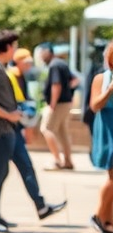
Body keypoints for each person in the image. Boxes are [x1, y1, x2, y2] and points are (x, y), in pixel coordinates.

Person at [0, 31, 66, 232]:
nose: (15, 50)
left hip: (6, 130)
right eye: (15, 46)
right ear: (8, 47)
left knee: (4, 171)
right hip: (0, 130)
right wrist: (8, 115)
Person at [39, 42, 77, 170]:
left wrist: (52, 104)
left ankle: (57, 161)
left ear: (48, 52)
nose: (40, 56)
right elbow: (75, 80)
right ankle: (67, 161)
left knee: (46, 129)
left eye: (41, 52)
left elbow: (56, 85)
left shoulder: (54, 65)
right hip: (66, 102)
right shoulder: (61, 64)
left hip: (59, 103)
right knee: (62, 132)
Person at [87, 41, 113, 233]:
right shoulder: (101, 79)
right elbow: (95, 106)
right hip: (108, 128)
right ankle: (98, 216)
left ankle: (107, 219)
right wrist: (110, 89)